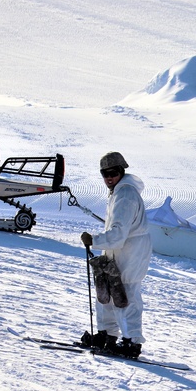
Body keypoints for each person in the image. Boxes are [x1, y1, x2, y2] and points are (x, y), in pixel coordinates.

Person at [79, 151, 152, 359]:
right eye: (104, 174)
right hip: (118, 249)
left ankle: (132, 342)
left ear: (121, 171)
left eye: (113, 172)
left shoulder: (126, 195)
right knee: (107, 290)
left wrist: (94, 240)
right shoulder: (117, 192)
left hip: (130, 251)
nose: (108, 177)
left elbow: (119, 233)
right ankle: (108, 334)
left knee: (125, 294)